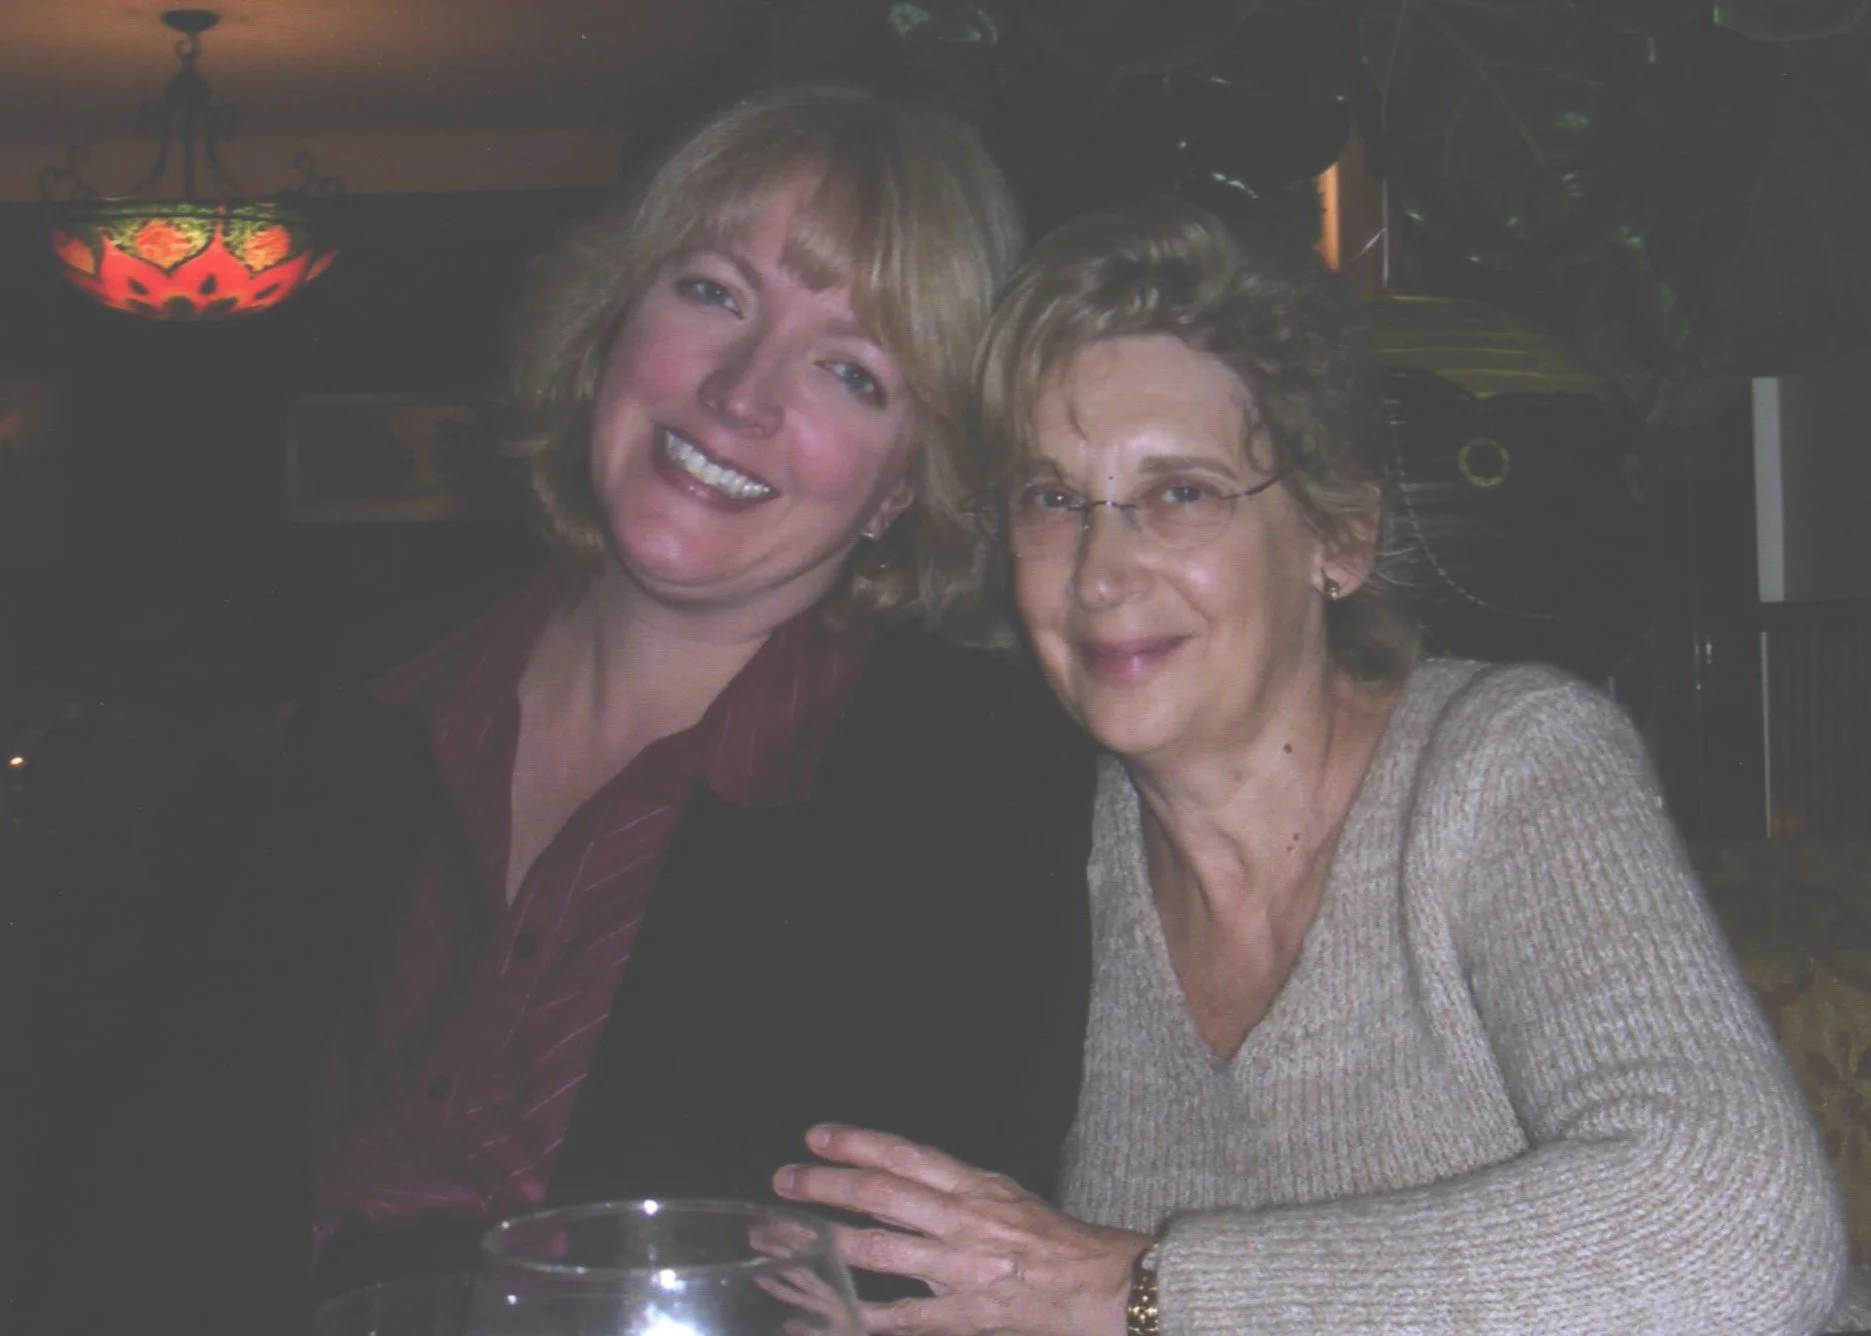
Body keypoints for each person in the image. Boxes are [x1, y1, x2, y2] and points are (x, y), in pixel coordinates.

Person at [27, 85, 1095, 1335]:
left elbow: (906, 1283)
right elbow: (153, 1186)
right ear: (608, 326)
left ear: (906, 484)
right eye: (711, 293)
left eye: (851, 371)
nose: (741, 392)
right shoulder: (366, 697)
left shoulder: (967, 793)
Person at [773, 196, 1854, 1334]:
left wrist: (1136, 1288)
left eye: (1178, 494)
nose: (1099, 571)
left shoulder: (1505, 766)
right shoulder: (1041, 855)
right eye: (1053, 500)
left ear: (1336, 537)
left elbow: (1739, 1236)